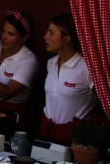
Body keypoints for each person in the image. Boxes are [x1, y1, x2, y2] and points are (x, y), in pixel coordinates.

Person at [39, 13, 98, 145]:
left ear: (66, 39)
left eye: (51, 33)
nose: (45, 37)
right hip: (46, 134)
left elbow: (108, 105)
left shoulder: (87, 68)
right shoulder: (51, 63)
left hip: (73, 140)